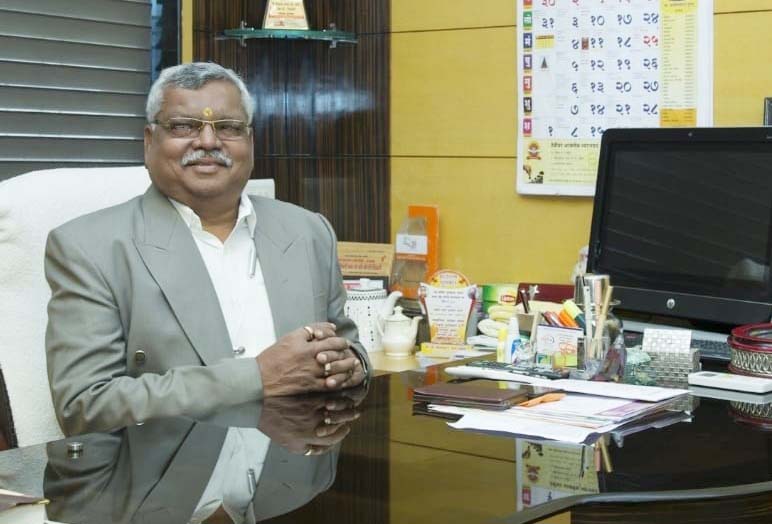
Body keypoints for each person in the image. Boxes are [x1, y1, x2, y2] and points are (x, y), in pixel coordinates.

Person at [44, 62, 369, 435]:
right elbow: (85, 406)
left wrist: (352, 365)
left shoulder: (309, 231)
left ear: (250, 142)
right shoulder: (89, 248)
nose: (209, 142)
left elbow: (349, 345)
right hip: (162, 466)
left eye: (229, 128)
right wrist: (256, 377)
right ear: (149, 141)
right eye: (184, 126)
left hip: (293, 462)